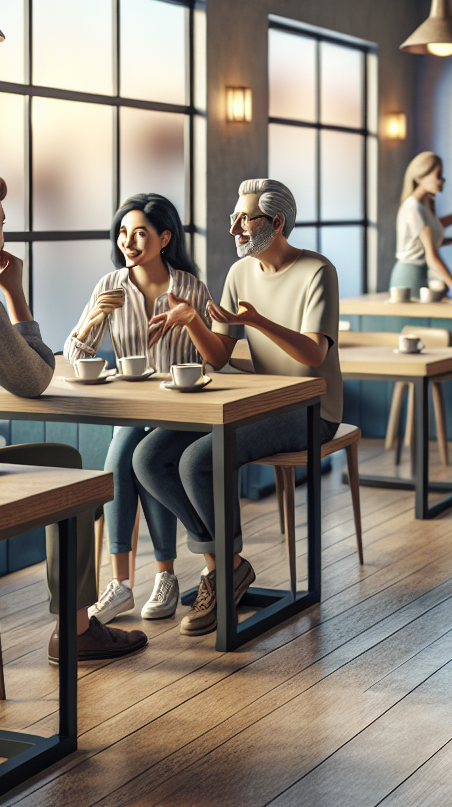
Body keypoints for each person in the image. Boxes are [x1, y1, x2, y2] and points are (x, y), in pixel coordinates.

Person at [133, 179, 342, 637]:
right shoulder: (238, 273)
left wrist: (256, 321)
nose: (234, 228)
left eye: (244, 219)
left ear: (278, 223)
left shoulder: (317, 271)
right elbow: (219, 357)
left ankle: (222, 573)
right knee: (147, 457)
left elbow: (312, 356)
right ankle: (226, 565)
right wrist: (192, 322)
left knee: (199, 460)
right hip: (259, 401)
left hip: (311, 408)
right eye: (234, 217)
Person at [0, 174, 146, 662]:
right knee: (70, 472)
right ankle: (74, 631)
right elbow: (35, 377)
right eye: (2, 225)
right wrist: (15, 293)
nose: (4, 236)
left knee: (60, 458)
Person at [65, 193, 215, 625]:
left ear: (165, 237)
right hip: (131, 409)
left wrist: (192, 321)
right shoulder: (110, 286)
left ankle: (164, 576)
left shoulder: (189, 288)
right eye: (123, 233)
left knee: (140, 456)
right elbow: (75, 354)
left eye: (140, 233)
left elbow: (212, 358)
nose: (127, 241)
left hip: (181, 413)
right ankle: (123, 586)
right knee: (121, 457)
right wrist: (95, 318)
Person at [390, 151, 452, 306]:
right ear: (420, 176)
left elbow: (434, 228)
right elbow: (432, 256)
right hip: (409, 275)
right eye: (438, 175)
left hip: (419, 273)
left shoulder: (423, 206)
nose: (442, 181)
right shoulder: (414, 209)